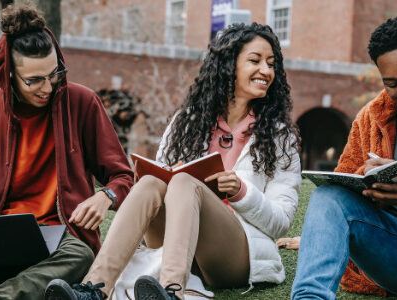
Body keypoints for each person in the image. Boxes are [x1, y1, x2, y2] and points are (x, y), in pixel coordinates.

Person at [44, 22, 302, 300]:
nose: (266, 71)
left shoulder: (279, 136)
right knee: (151, 182)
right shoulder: (187, 121)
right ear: (228, 65)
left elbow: (281, 221)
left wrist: (241, 192)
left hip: (235, 254)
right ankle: (94, 289)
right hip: (174, 242)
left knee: (184, 182)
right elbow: (161, 183)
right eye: (255, 60)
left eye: (271, 64)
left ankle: (172, 291)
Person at [0, 4, 134, 300]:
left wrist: (105, 197)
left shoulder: (83, 103)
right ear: (9, 75)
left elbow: (123, 176)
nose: (48, 87)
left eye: (54, 74)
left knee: (80, 256)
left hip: (60, 239)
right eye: (34, 80)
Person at [291, 16, 397, 299]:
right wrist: (370, 179)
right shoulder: (371, 117)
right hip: (394, 254)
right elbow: (345, 179)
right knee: (328, 197)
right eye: (393, 83)